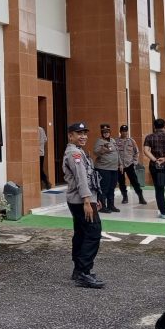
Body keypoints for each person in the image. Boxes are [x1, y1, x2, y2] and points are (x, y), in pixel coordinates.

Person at [63, 122, 105, 289]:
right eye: (78, 133)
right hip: (82, 201)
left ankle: (78, 270)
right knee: (93, 233)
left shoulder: (78, 151)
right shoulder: (75, 154)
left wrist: (95, 198)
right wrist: (88, 201)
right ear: (70, 136)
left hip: (83, 199)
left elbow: (88, 178)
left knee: (81, 233)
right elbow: (81, 179)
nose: (83, 136)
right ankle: (84, 272)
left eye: (85, 133)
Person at [115, 124, 147, 205]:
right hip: (120, 165)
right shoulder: (116, 141)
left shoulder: (131, 141)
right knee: (121, 182)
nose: (124, 133)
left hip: (129, 164)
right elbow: (114, 153)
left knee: (134, 181)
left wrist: (134, 162)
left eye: (126, 131)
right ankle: (125, 197)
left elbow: (136, 152)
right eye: (123, 131)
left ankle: (140, 197)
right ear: (120, 132)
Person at [93, 124, 120, 213]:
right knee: (104, 188)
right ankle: (102, 206)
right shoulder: (99, 141)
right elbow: (96, 152)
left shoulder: (113, 140)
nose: (106, 134)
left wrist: (120, 164)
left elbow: (117, 152)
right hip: (104, 168)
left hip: (114, 168)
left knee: (112, 187)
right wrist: (103, 150)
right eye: (104, 132)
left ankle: (111, 205)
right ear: (102, 133)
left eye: (107, 132)